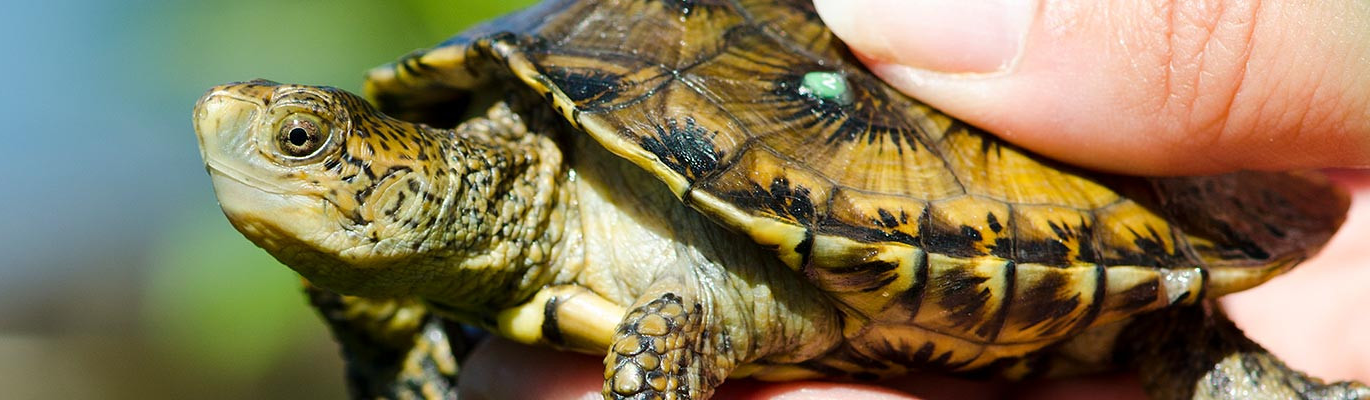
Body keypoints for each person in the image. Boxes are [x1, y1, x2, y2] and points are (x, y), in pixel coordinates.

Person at [457, 0, 1370, 398]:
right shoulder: (476, 186)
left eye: (306, 142)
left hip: (1066, 222)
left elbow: (670, 324)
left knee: (1196, 354)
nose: (304, 173)